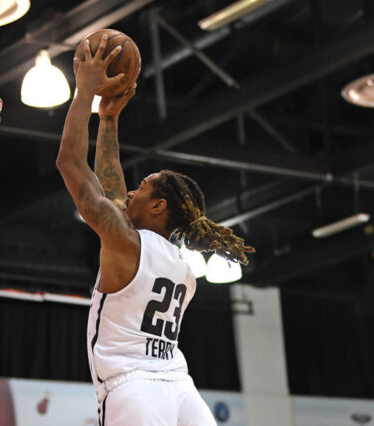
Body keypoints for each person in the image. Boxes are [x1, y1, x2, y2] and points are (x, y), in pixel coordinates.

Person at [56, 34, 254, 426]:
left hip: (132, 388)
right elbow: (113, 194)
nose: (130, 192)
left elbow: (70, 163)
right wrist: (108, 118)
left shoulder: (126, 241)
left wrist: (84, 93)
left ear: (159, 206)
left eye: (141, 188)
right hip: (180, 387)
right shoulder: (182, 266)